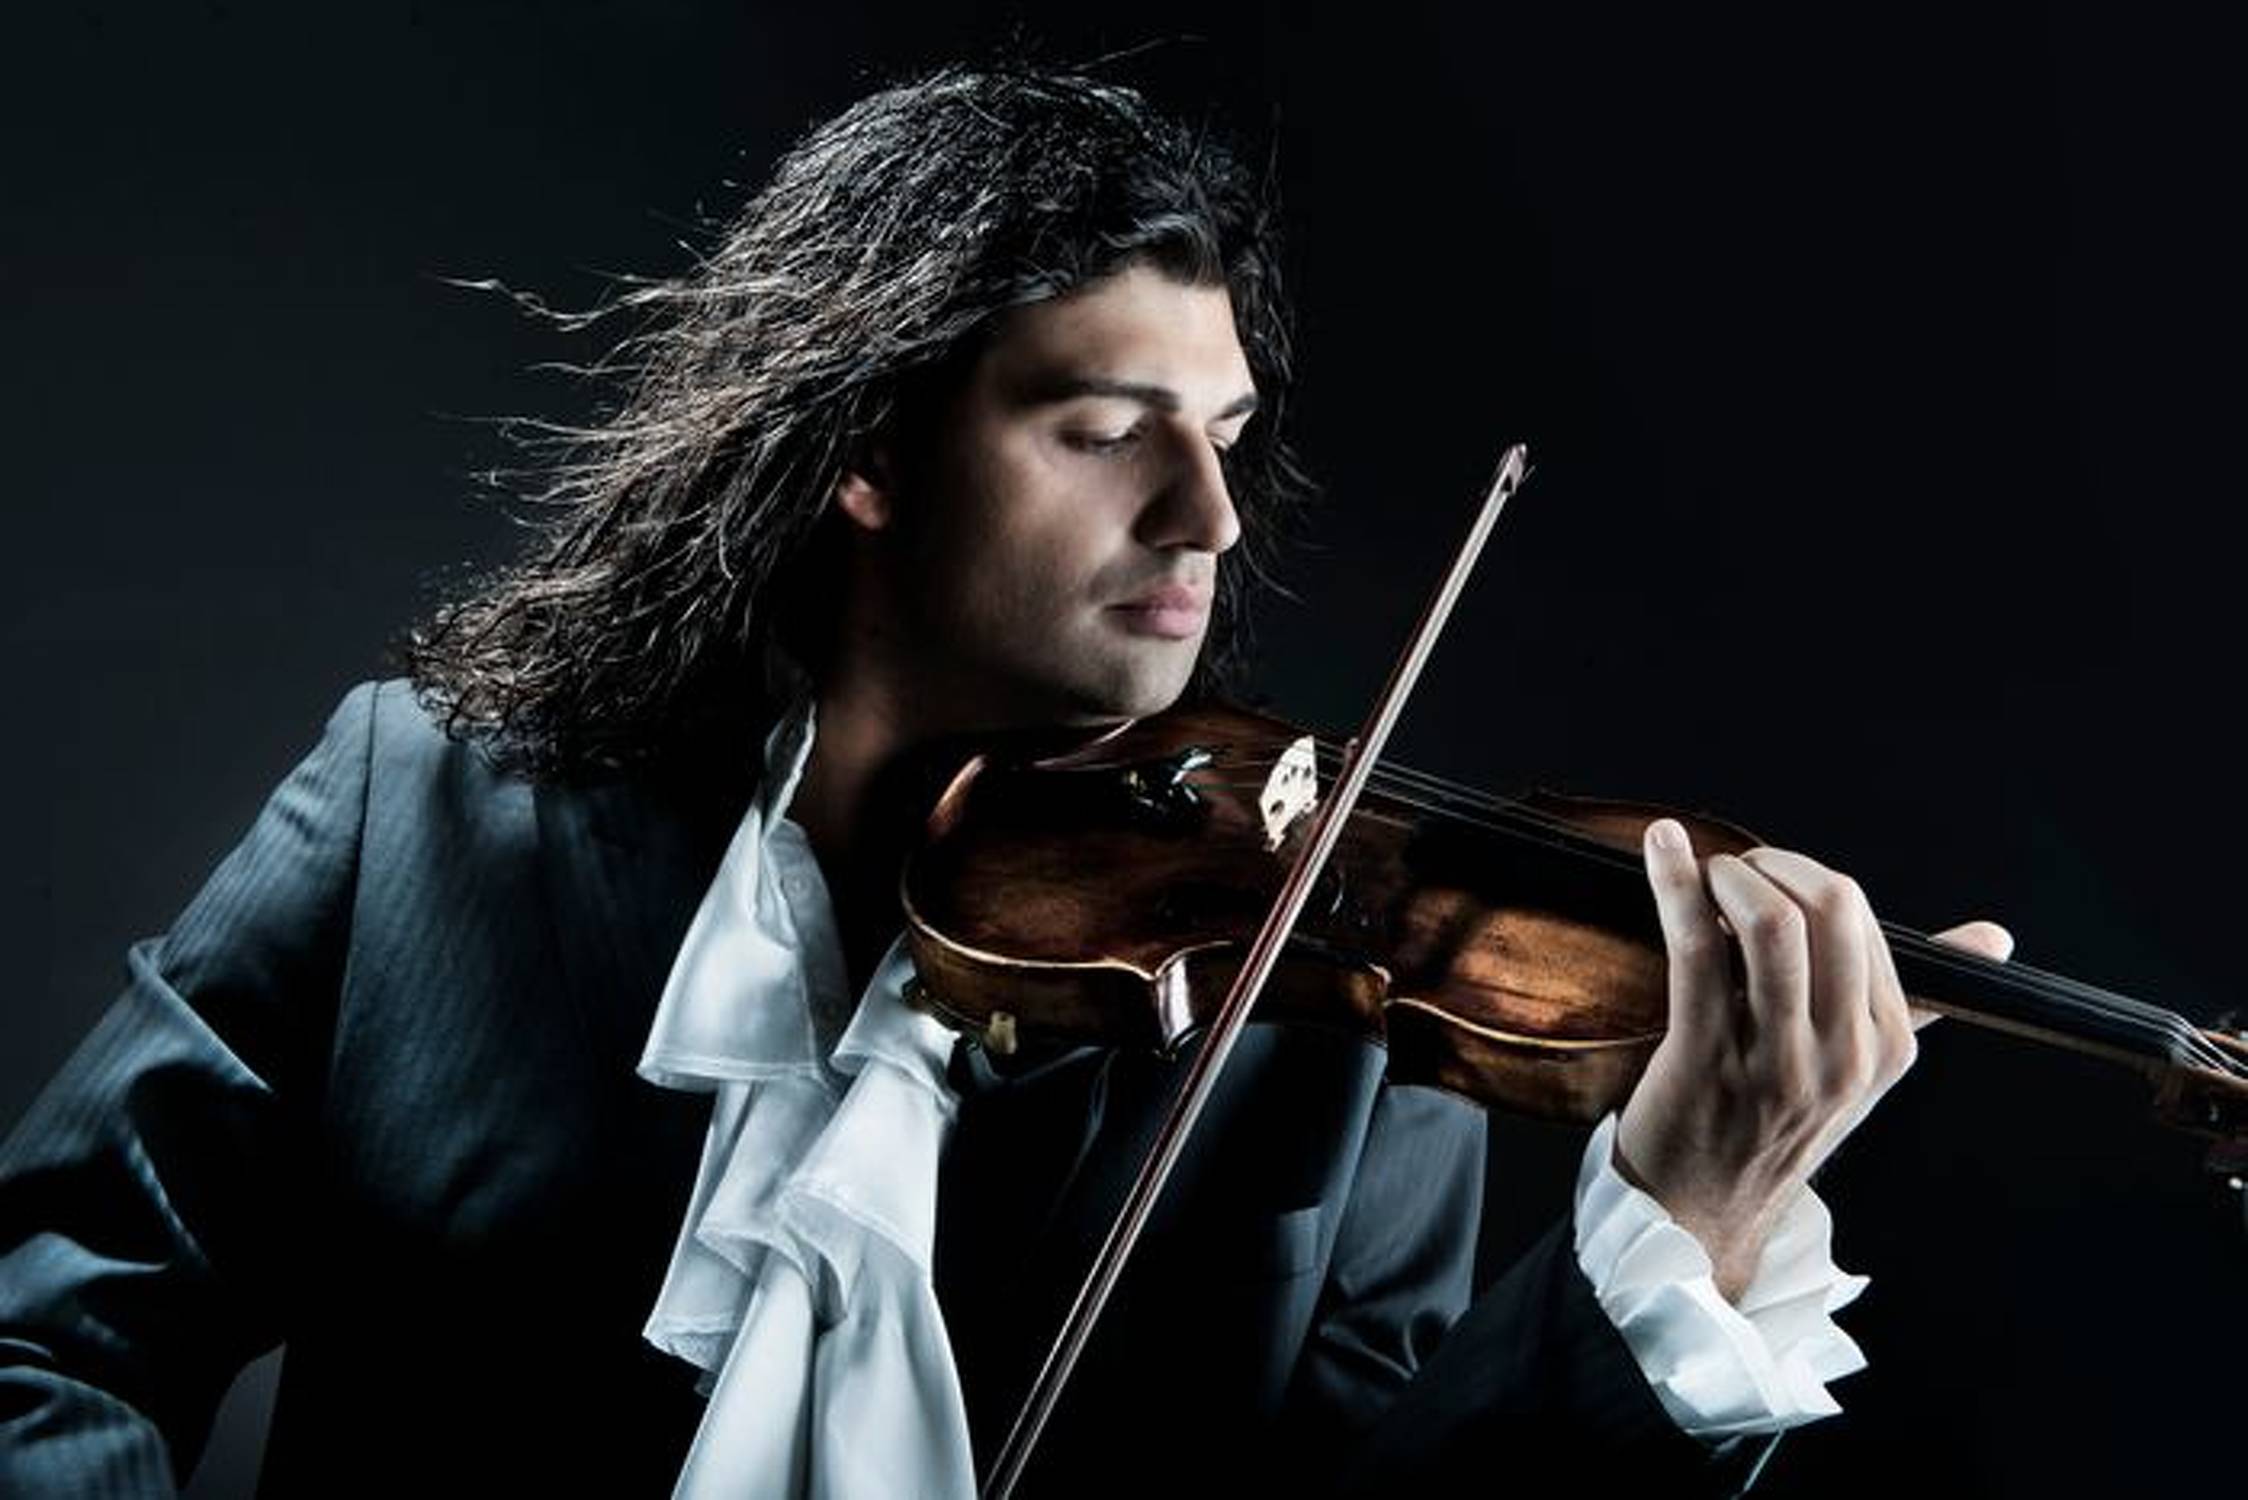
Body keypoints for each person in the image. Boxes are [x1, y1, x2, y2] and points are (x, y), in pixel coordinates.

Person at [0, 64, 2011, 1497]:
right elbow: (49, 1318)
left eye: (1224, 433)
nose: (1209, 513)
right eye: (1109, 431)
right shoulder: (424, 814)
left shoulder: (1314, 994)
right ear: (870, 449)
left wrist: (1681, 1229)